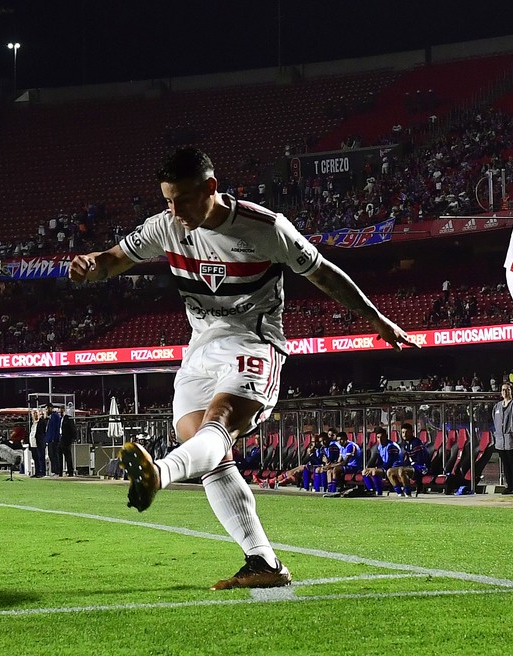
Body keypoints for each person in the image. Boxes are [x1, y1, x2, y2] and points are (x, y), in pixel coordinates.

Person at [68, 147, 417, 590]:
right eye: (167, 200)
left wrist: (375, 319)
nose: (174, 210)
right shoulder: (167, 225)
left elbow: (324, 272)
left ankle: (161, 473)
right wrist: (89, 267)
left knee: (219, 425)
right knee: (207, 448)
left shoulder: (266, 228)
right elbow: (112, 260)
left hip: (254, 343)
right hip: (200, 350)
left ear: (211, 188)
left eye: (183, 199)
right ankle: (264, 564)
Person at [492, 383, 513, 495]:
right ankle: (509, 485)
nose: (505, 392)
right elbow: (495, 420)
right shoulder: (497, 406)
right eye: (503, 390)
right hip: (501, 440)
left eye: (507, 390)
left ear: (511, 391)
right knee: (505, 464)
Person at [388, 422, 427, 498]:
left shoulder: (417, 443)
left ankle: (408, 493)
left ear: (412, 432)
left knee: (401, 470)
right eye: (403, 432)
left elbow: (421, 460)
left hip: (420, 468)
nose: (404, 435)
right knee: (390, 471)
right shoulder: (403, 444)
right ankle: (400, 493)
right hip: (409, 467)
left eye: (407, 432)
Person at [325, 429, 362, 496]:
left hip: (354, 467)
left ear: (346, 439)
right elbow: (339, 460)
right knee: (329, 471)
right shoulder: (342, 447)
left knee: (336, 469)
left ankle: (334, 490)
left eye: (341, 440)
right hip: (347, 466)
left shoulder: (350, 446)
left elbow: (345, 462)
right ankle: (330, 490)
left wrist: (333, 466)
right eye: (338, 440)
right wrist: (330, 465)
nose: (339, 442)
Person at [60, 403, 78, 476]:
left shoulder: (68, 418)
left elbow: (72, 428)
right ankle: (60, 472)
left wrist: (73, 438)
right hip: (61, 438)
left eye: (61, 410)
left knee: (68, 456)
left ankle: (70, 471)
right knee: (60, 456)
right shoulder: (61, 418)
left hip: (66, 439)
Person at [45, 404, 63, 476]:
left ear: (50, 408)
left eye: (47, 409)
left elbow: (55, 428)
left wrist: (53, 438)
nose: (46, 411)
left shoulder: (55, 416)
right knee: (51, 455)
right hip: (50, 439)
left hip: (53, 439)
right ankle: (54, 470)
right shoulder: (51, 417)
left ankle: (57, 471)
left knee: (54, 455)